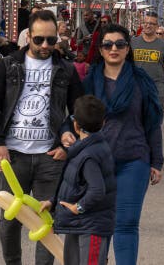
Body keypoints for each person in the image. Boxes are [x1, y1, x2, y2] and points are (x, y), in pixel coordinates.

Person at [0, 9, 83, 265]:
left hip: (50, 156)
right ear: (29, 36)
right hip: (13, 156)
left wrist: (66, 142)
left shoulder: (66, 70)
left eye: (51, 39)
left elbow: (79, 111)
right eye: (39, 40)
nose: (46, 45)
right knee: (10, 218)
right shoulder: (8, 65)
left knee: (45, 220)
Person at [70, 22, 164, 264]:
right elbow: (74, 120)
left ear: (127, 49)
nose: (114, 48)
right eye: (108, 44)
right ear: (100, 50)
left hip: (134, 160)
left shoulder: (141, 82)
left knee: (125, 224)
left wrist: (156, 161)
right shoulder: (89, 83)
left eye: (120, 44)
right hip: (96, 163)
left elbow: (152, 123)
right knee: (97, 225)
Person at [40, 95, 116, 265]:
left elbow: (97, 190)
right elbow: (74, 185)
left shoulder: (88, 156)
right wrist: (53, 202)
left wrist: (78, 207)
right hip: (80, 224)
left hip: (91, 226)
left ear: (75, 125)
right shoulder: (84, 149)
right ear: (103, 123)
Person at [130, 11, 164, 113]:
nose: (148, 25)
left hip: (156, 90)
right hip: (136, 90)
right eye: (146, 22)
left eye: (151, 23)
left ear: (157, 26)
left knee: (154, 123)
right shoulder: (133, 42)